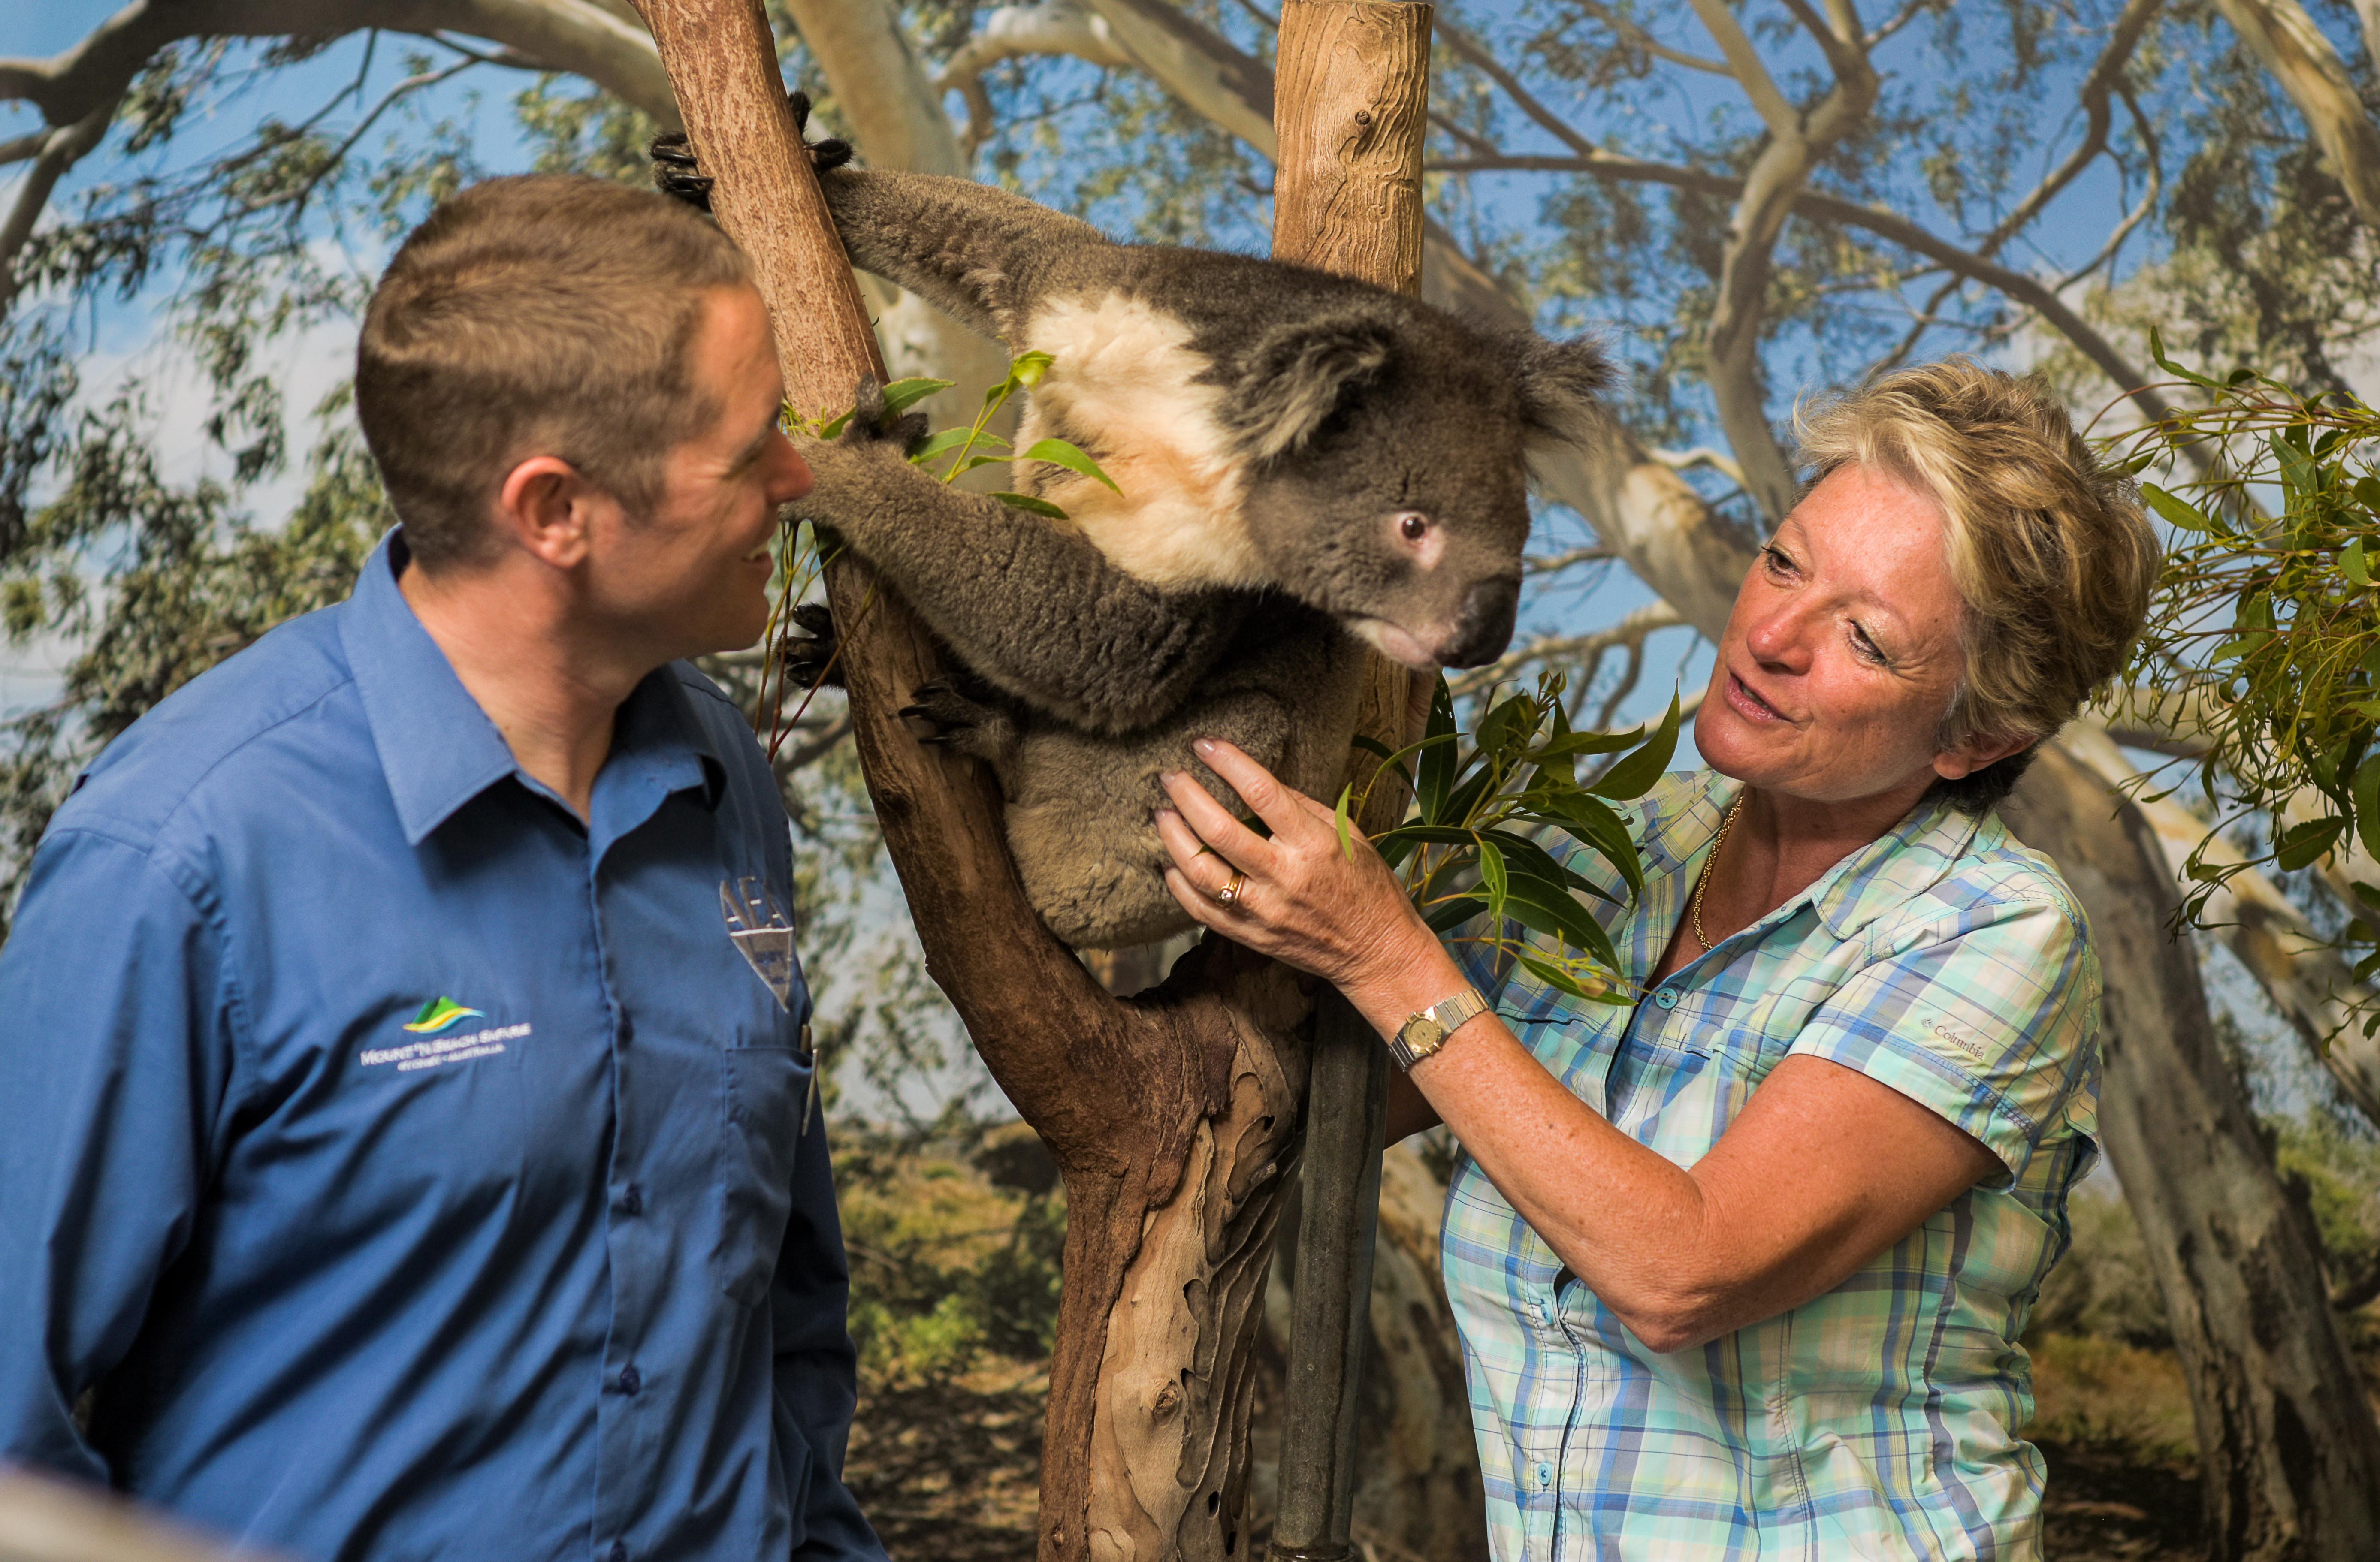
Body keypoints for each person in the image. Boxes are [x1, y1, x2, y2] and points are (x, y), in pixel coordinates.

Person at [0, 175, 885, 1562]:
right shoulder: (188, 856)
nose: (799, 477)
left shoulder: (721, 783)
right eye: (754, 443)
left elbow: (782, 1312)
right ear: (557, 510)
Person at [1151, 359, 2160, 1559]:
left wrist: (1380, 946)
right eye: (1784, 560)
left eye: (1863, 635)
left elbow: (1681, 1271)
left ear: (1976, 733)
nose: (1772, 632)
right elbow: (1322, 1106)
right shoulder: (1614, 849)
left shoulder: (1990, 929)